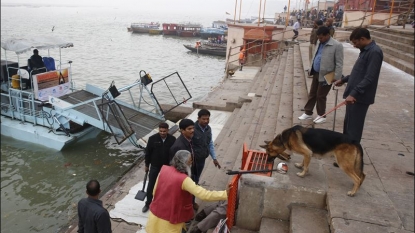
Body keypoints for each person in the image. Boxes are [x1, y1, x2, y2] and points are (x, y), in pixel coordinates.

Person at [146, 150, 228, 233]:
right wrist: (225, 194)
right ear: (184, 163)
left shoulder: (163, 170)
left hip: (155, 214)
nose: (191, 162)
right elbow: (204, 195)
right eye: (190, 161)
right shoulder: (184, 180)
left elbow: (154, 191)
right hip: (170, 220)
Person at [333, 27, 383, 145]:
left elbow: (369, 78)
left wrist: (354, 93)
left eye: (356, 43)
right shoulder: (365, 51)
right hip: (353, 95)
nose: (355, 46)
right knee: (348, 126)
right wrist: (344, 80)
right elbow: (358, 73)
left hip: (360, 97)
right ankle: (345, 153)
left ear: (363, 39)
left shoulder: (374, 52)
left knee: (354, 129)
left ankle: (351, 157)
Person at [298, 26, 344, 124]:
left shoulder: (337, 45)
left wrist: (337, 77)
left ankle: (321, 115)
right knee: (313, 93)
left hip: (327, 74)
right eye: (319, 38)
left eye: (322, 37)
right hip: (316, 72)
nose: (320, 39)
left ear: (327, 35)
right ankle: (308, 112)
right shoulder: (319, 42)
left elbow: (339, 63)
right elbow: (316, 55)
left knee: (321, 95)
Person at [142, 122, 176, 213]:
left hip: (167, 167)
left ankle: (164, 203)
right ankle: (148, 203)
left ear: (168, 130)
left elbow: (174, 154)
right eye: (160, 131)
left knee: (166, 186)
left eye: (164, 131)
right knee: (151, 186)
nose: (162, 133)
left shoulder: (172, 139)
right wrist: (146, 165)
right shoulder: (152, 139)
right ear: (158, 130)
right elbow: (147, 153)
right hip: (155, 166)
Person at [192, 109, 221, 186]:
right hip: (193, 160)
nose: (206, 121)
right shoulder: (192, 129)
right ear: (198, 118)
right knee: (191, 178)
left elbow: (210, 143)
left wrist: (214, 158)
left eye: (207, 119)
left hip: (202, 159)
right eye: (203, 119)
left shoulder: (208, 129)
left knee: (197, 177)